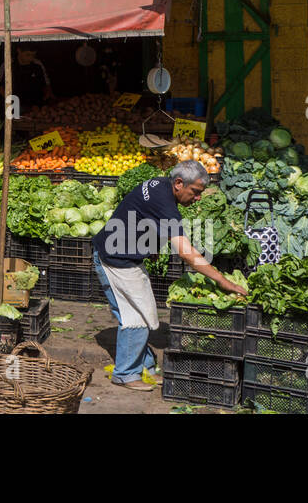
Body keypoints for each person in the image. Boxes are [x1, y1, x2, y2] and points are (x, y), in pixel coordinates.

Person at [94, 161, 247, 391]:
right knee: (135, 317)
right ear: (178, 183)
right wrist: (223, 281)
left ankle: (144, 367)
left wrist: (151, 245)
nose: (197, 198)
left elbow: (140, 212)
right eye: (195, 192)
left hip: (125, 256)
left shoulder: (160, 186)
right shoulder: (166, 203)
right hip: (115, 260)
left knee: (145, 314)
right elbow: (187, 253)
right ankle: (125, 374)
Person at [0, 47, 53, 113]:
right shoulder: (8, 64)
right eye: (28, 55)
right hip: (16, 107)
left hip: (36, 107)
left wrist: (47, 94)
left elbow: (47, 83)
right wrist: (12, 101)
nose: (31, 58)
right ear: (19, 51)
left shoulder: (37, 64)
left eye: (33, 55)